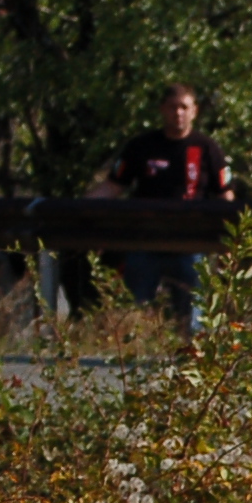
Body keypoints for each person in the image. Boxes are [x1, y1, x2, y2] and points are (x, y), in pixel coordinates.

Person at [87, 83, 231, 326]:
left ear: (194, 111)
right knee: (134, 314)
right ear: (162, 109)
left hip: (190, 244)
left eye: (184, 107)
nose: (178, 113)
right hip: (145, 241)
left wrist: (228, 246)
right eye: (173, 107)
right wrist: (79, 209)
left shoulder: (207, 148)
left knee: (193, 318)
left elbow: (226, 197)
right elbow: (113, 187)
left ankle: (190, 347)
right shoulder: (141, 146)